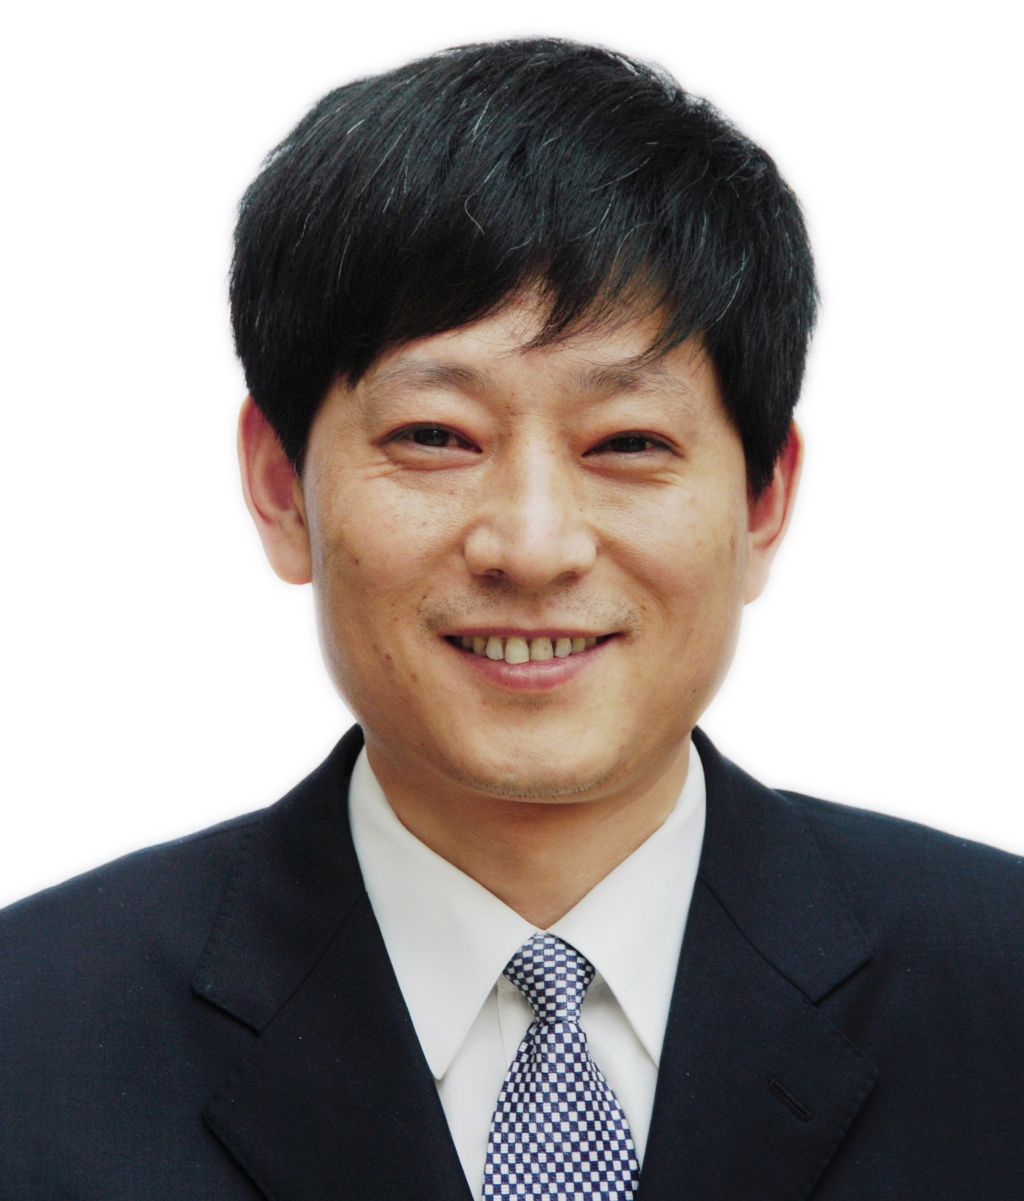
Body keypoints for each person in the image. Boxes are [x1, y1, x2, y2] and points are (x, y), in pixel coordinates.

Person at [0, 37, 1021, 1200]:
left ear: (761, 501)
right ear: (282, 488)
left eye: (626, 442)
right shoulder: (32, 1032)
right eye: (435, 436)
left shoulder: (997, 991)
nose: (533, 545)